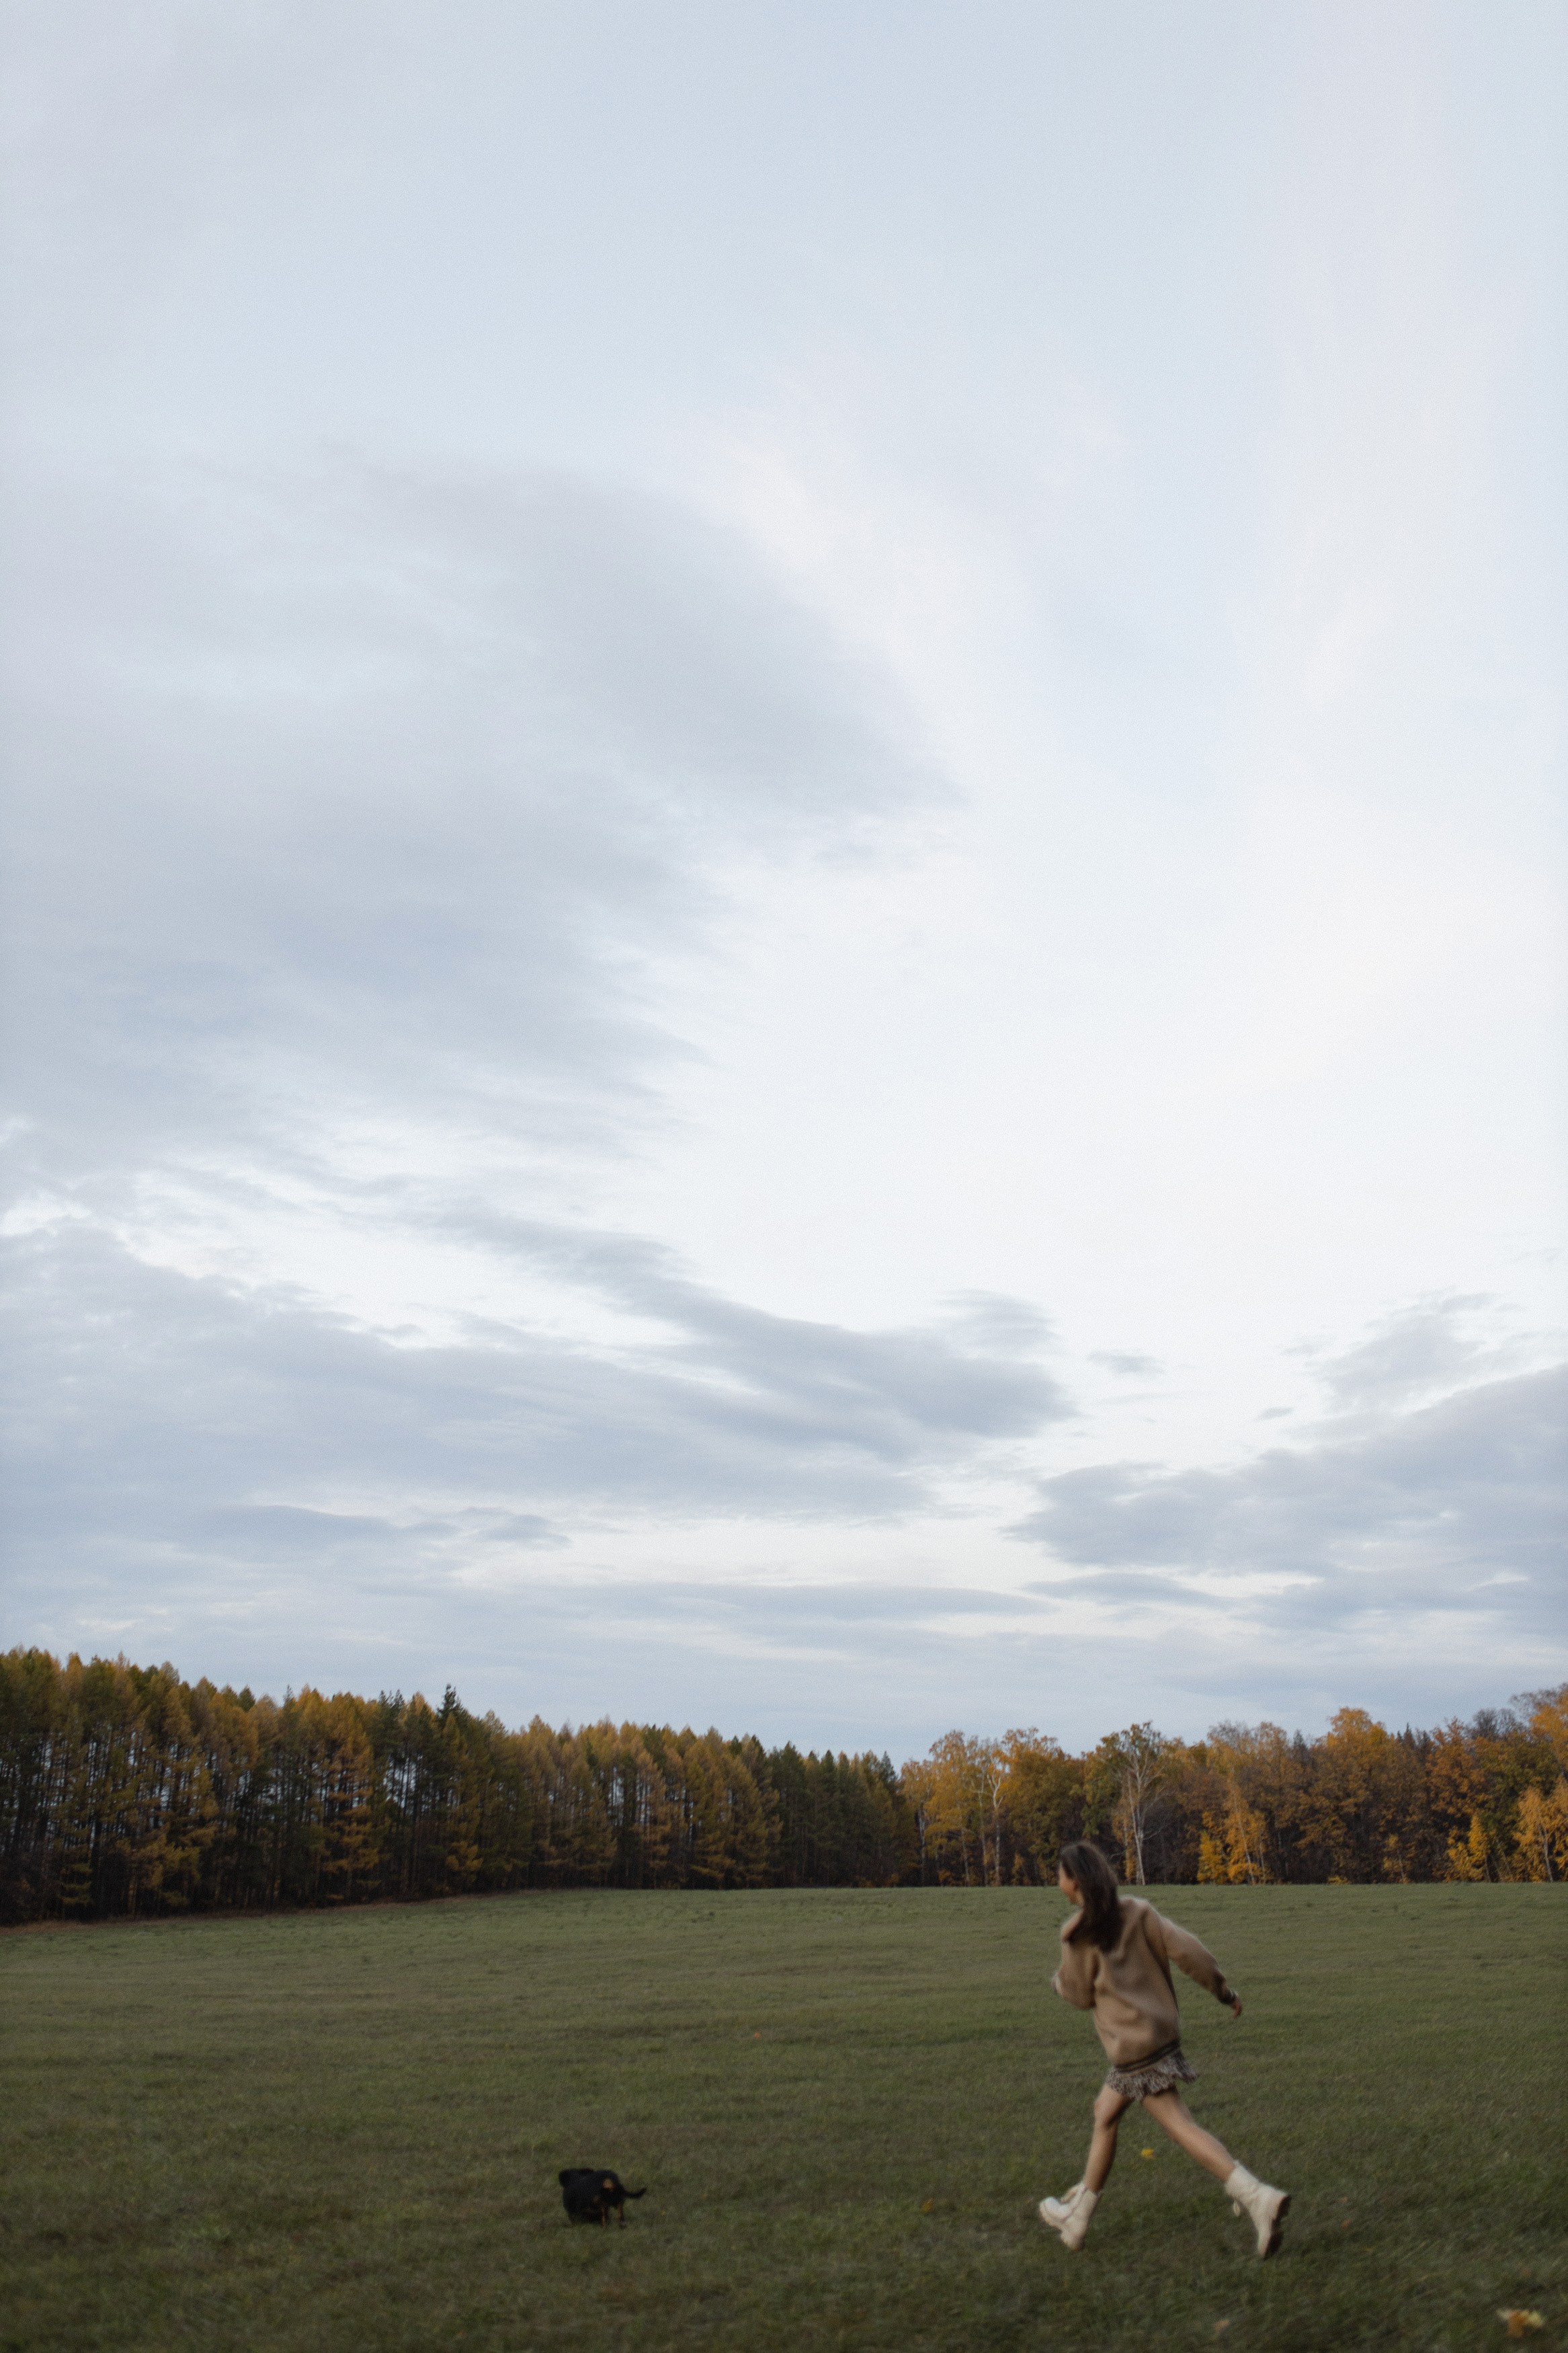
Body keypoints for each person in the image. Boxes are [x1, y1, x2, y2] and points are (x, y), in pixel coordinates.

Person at [1039, 1839, 1290, 2258]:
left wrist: (1058, 1983)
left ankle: (1257, 2197)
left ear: (1075, 1882)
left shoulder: (1078, 1936)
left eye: (1060, 1875)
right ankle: (1078, 2218)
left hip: (1135, 2051)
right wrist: (1224, 1992)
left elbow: (1079, 1996)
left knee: (1179, 2126)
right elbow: (1192, 1953)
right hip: (1160, 2038)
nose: (1058, 1882)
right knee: (1105, 2113)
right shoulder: (1140, 1912)